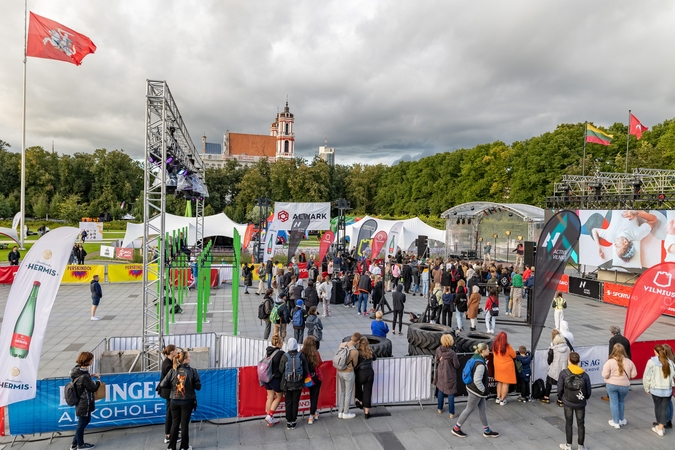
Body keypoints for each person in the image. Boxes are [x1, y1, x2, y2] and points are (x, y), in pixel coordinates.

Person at [452, 343, 499, 439]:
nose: (488, 350)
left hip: (471, 387)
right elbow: (477, 380)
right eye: (487, 349)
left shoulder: (475, 357)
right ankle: (456, 429)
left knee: (482, 409)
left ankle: (487, 431)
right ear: (483, 351)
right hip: (476, 391)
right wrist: (483, 390)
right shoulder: (480, 365)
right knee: (469, 409)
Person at [160, 349, 201, 450]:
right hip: (187, 401)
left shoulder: (173, 370)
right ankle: (184, 447)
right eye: (189, 357)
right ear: (186, 360)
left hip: (174, 400)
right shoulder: (192, 371)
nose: (190, 358)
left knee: (175, 423)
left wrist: (173, 387)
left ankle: (171, 447)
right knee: (184, 425)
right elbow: (198, 387)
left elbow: (162, 384)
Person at [557, 352, 592, 450]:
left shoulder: (564, 373)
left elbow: (559, 388)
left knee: (569, 423)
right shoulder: (584, 375)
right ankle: (581, 446)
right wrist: (584, 398)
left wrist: (561, 397)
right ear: (579, 361)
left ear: (569, 361)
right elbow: (588, 391)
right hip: (580, 402)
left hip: (568, 401)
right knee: (581, 423)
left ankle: (568, 445)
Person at [69, 352, 101, 450]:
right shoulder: (84, 376)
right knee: (82, 422)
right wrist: (98, 380)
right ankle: (80, 445)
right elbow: (93, 388)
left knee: (84, 421)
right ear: (87, 361)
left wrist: (89, 377)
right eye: (91, 359)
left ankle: (74, 443)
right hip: (84, 402)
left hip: (80, 400)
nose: (92, 361)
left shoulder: (76, 370)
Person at [643, 344, 675, 437]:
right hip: (667, 390)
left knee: (658, 407)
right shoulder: (670, 362)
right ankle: (661, 426)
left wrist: (647, 387)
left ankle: (660, 427)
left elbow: (646, 376)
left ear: (655, 351)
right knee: (664, 409)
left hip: (655, 389)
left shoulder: (651, 362)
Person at [602, 343, 637, 428]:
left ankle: (615, 422)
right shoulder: (629, 362)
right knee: (621, 401)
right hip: (624, 385)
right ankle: (621, 419)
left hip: (612, 385)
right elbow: (634, 375)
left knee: (614, 403)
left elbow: (604, 374)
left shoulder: (609, 362)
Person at [278, 337, 308, 429]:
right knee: (295, 402)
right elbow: (306, 370)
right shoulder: (301, 356)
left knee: (288, 402)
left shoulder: (285, 356)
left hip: (287, 384)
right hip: (298, 384)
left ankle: (288, 421)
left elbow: (280, 369)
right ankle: (294, 421)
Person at [434, 334, 460, 418]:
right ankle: (452, 413)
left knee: (440, 390)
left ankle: (439, 408)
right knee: (450, 393)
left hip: (440, 373)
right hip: (449, 375)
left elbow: (437, 360)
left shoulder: (438, 350)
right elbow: (456, 365)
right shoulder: (452, 353)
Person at [337, 332, 360, 420]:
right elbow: (355, 364)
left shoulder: (342, 344)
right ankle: (346, 412)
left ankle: (340, 412)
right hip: (348, 372)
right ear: (357, 341)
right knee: (348, 393)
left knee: (343, 391)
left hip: (340, 371)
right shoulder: (355, 351)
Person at [262, 335, 285, 426]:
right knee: (279, 396)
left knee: (270, 397)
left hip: (266, 378)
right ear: (279, 343)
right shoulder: (281, 353)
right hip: (275, 379)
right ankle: (270, 416)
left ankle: (269, 418)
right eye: (282, 342)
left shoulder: (268, 351)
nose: (282, 344)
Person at [541, 334, 569, 405]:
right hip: (564, 369)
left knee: (549, 382)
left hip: (554, 369)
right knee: (562, 385)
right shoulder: (567, 348)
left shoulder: (553, 349)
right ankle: (560, 400)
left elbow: (549, 360)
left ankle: (546, 397)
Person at [301, 335, 323, 424]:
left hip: (306, 378)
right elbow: (320, 363)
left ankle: (315, 412)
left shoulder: (301, 353)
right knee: (314, 397)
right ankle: (311, 416)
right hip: (315, 377)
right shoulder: (316, 353)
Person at [159, 345, 178, 444]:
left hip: (168, 391)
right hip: (168, 392)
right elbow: (172, 379)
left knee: (171, 412)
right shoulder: (168, 365)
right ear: (171, 352)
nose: (177, 352)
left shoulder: (168, 361)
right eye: (175, 350)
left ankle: (172, 431)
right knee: (170, 413)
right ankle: (168, 435)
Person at [354, 336, 377, 419]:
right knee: (368, 392)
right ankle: (367, 413)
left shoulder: (357, 352)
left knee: (359, 389)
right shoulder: (370, 351)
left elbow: (355, 363)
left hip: (361, 373)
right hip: (370, 372)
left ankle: (360, 402)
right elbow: (375, 358)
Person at [492, 331, 516, 405]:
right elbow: (514, 355)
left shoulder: (494, 345)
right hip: (507, 367)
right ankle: (502, 400)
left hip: (498, 366)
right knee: (505, 383)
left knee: (499, 382)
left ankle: (498, 398)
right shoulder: (508, 347)